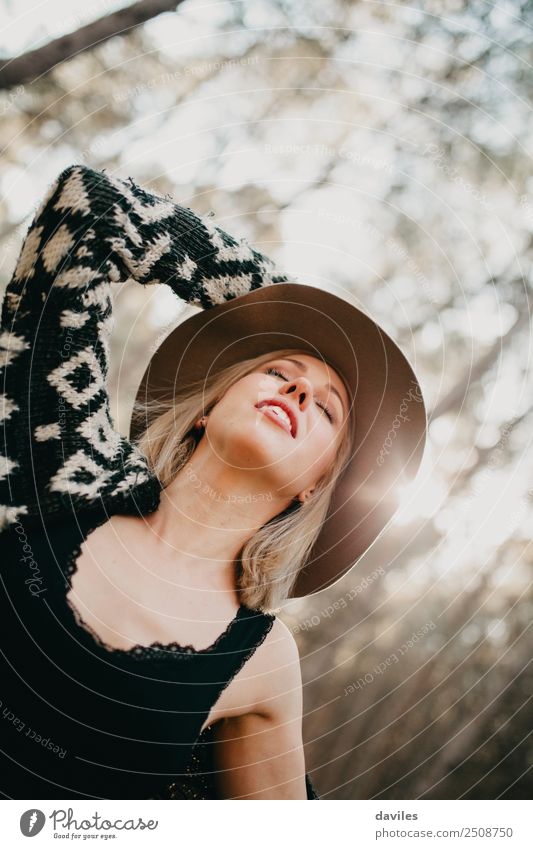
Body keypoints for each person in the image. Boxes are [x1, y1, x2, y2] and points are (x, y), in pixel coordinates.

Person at [0, 164, 426, 800]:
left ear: (317, 485)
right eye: (279, 370)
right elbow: (90, 207)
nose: (300, 387)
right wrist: (289, 305)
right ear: (207, 407)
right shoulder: (67, 469)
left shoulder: (259, 659)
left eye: (329, 409)